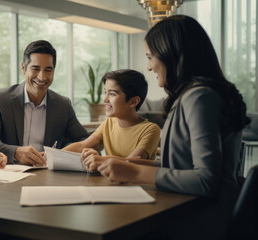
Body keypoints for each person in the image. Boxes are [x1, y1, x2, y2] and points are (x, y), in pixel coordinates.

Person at [97, 15, 250, 239]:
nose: (148, 67)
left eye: (150, 57)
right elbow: (186, 164)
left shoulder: (199, 97)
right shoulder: (197, 95)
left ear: (172, 54)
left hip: (200, 221)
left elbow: (206, 179)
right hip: (192, 211)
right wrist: (142, 163)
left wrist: (137, 171)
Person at [0, 40, 89, 165]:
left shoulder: (62, 105)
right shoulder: (1, 99)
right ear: (23, 68)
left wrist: (60, 153)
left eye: (48, 70)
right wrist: (16, 152)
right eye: (35, 69)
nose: (42, 77)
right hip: (11, 173)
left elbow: (83, 140)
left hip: (48, 174)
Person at [63, 69, 160, 172]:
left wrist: (101, 159)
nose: (105, 99)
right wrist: (50, 155)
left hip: (135, 185)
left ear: (133, 101)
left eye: (112, 94)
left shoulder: (151, 130)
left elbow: (131, 162)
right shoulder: (108, 123)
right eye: (105, 92)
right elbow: (82, 145)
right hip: (111, 181)